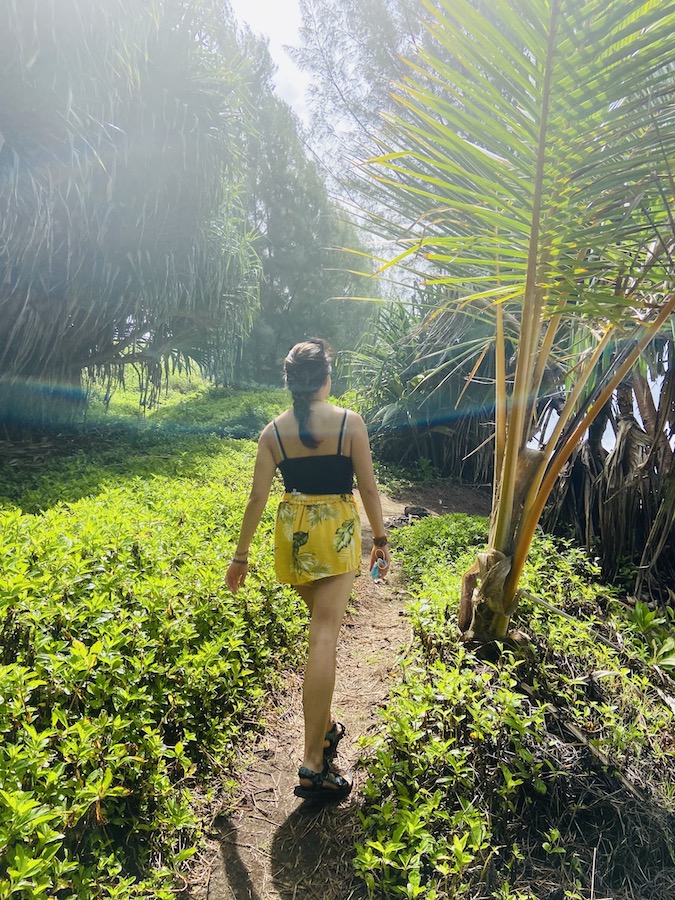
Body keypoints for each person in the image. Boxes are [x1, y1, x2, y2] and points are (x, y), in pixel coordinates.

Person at [226, 338, 391, 801]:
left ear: (289, 382)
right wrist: (379, 539)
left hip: (293, 538)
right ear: (325, 378)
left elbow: (257, 498)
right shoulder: (349, 423)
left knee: (318, 629)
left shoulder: (272, 433)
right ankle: (313, 764)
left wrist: (239, 558)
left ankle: (324, 730)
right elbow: (370, 490)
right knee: (323, 635)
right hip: (335, 534)